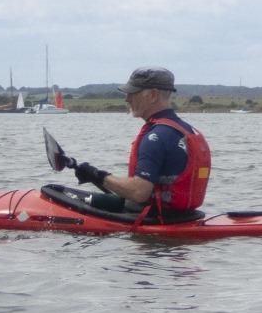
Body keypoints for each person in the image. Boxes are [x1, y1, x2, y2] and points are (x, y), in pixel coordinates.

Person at [73, 67, 212, 221]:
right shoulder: (186, 130)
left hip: (154, 220)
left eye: (133, 93)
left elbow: (139, 192)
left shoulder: (156, 137)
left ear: (152, 95)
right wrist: (95, 176)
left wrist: (97, 175)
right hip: (183, 217)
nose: (127, 98)